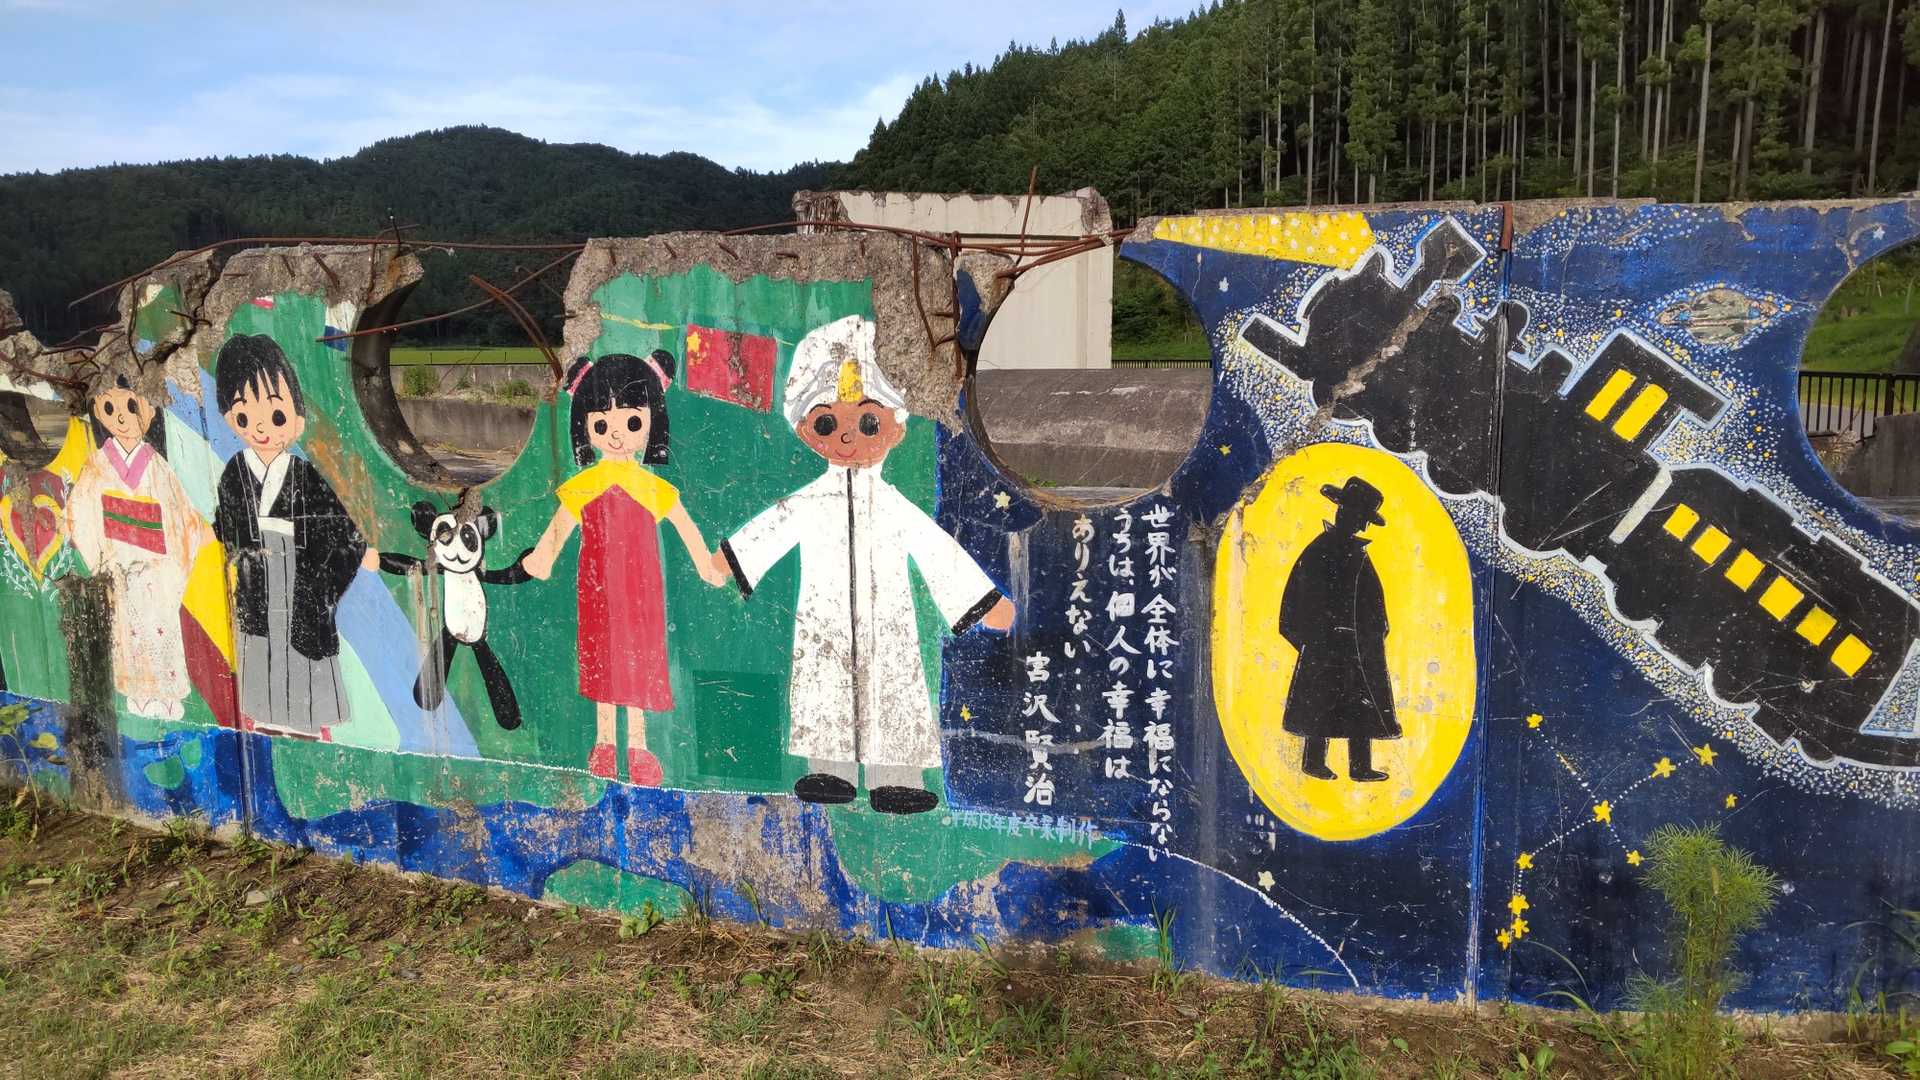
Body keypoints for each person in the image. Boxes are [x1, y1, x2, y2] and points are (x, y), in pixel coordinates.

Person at [715, 315, 1014, 815]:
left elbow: (936, 551)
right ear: (807, 430)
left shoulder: (894, 505)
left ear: (896, 427)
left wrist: (983, 602)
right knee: (823, 685)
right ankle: (830, 770)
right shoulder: (810, 501)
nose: (847, 437)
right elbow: (771, 528)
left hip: (888, 620)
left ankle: (896, 778)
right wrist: (731, 559)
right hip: (823, 618)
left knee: (893, 687)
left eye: (868, 422)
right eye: (827, 423)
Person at [522, 350, 726, 786]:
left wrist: (705, 565)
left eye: (631, 422)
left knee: (637, 662)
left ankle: (636, 744)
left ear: (651, 421)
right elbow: (560, 527)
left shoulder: (650, 486)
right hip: (597, 590)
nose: (615, 434)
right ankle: (603, 742)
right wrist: (542, 558)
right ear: (586, 428)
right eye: (601, 425)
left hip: (641, 592)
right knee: (601, 661)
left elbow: (685, 526)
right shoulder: (585, 484)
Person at [211, 335, 378, 740]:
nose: (261, 428)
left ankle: (303, 727)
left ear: (297, 416)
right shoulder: (235, 470)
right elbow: (226, 523)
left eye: (275, 414)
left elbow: (340, 528)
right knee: (260, 647)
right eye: (245, 417)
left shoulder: (304, 474)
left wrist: (354, 553)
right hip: (257, 579)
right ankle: (268, 721)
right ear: (230, 417)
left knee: (299, 652)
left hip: (298, 577)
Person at [65, 368, 212, 720]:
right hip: (118, 559)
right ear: (98, 412)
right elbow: (80, 512)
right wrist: (103, 559)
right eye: (110, 408)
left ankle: (167, 694)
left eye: (131, 407)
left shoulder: (158, 465)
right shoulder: (97, 464)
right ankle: (138, 692)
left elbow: (180, 516)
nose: (121, 417)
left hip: (158, 565)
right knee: (127, 629)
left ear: (148, 411)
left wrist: (186, 541)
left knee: (160, 627)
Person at [1276, 475, 1400, 782]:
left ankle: (1360, 766)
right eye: (1353, 514)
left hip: (1357, 645)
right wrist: (1313, 642)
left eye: (1361, 518)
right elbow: (1295, 601)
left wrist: (1374, 633)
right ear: (1341, 511)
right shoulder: (1318, 550)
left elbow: (1372, 602)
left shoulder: (1358, 553)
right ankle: (1313, 762)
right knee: (1321, 701)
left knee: (1360, 704)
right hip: (1325, 645)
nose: (1358, 523)